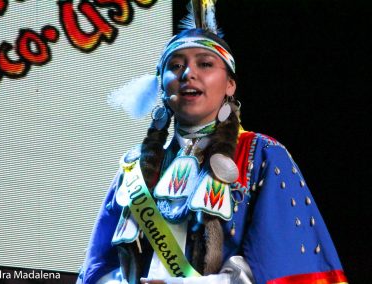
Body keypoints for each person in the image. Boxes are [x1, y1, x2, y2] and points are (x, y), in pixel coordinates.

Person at [77, 2, 347, 284]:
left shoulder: (262, 155)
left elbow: (284, 265)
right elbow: (97, 270)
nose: (187, 74)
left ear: (230, 85)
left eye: (205, 64)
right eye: (176, 65)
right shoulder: (133, 168)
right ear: (161, 84)